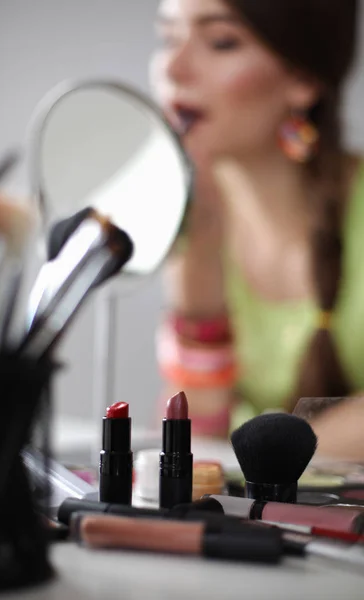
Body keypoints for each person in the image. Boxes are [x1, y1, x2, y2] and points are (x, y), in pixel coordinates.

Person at [150, 0, 364, 458]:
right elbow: (199, 434)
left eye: (221, 42)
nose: (173, 66)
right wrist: (196, 277)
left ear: (302, 80)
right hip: (256, 514)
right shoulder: (194, 225)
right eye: (167, 38)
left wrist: (266, 460)